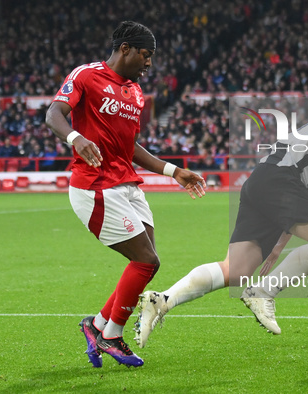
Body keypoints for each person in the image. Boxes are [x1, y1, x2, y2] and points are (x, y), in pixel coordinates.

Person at [135, 53, 308, 347]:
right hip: (278, 177)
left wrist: (280, 244)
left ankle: (162, 300)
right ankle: (263, 293)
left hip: (270, 187)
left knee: (236, 270)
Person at [45, 21, 206, 369]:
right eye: (145, 56)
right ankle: (111, 335)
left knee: (146, 262)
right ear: (125, 49)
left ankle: (97, 324)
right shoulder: (87, 75)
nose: (148, 64)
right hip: (95, 185)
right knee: (147, 261)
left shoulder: (134, 92)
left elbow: (130, 145)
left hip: (127, 184)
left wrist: (173, 170)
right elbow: (54, 114)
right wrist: (76, 138)